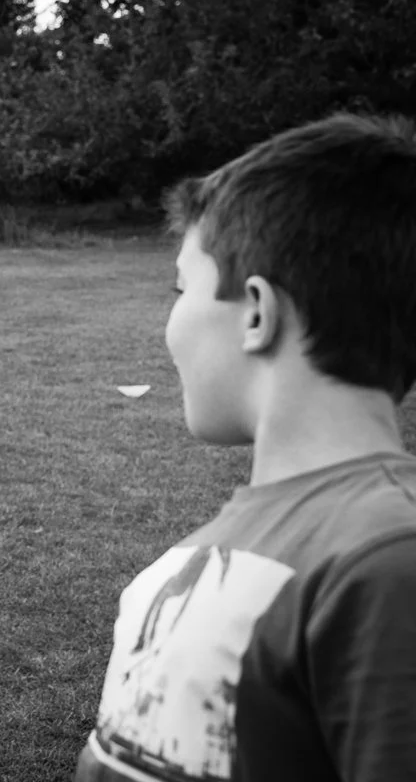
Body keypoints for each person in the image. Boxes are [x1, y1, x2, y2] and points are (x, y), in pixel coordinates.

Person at [73, 113, 416, 782]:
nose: (170, 323)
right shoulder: (193, 560)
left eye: (181, 288)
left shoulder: (386, 562)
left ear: (257, 313)